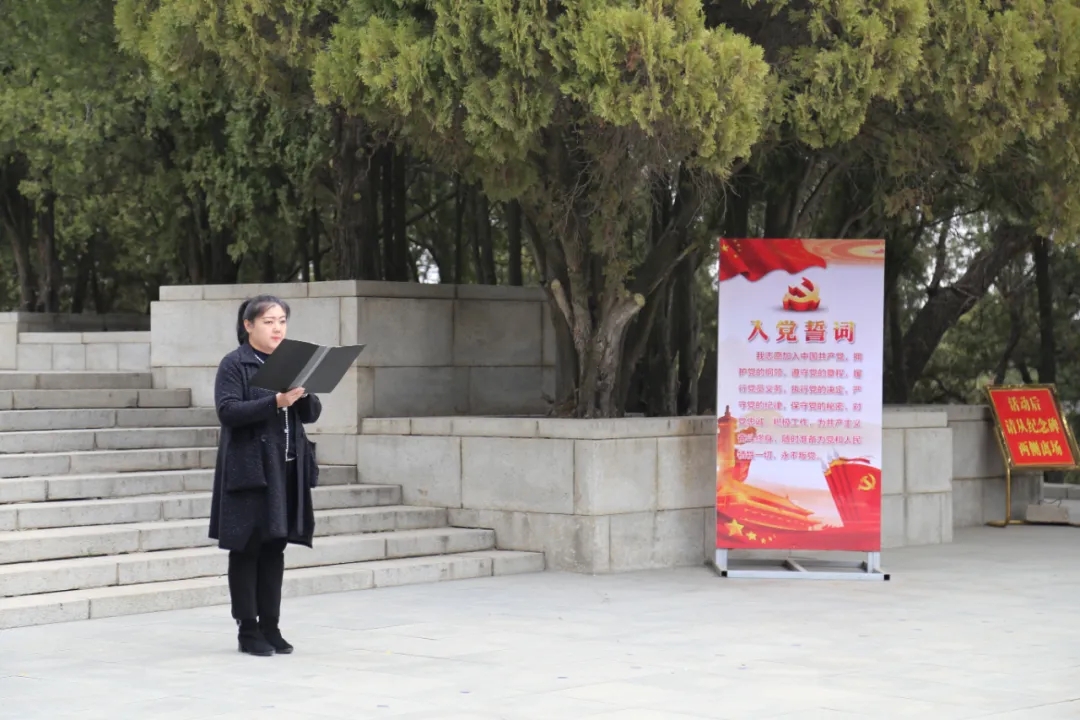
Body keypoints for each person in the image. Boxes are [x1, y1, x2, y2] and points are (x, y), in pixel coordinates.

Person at [208, 294, 323, 656]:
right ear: (248, 326)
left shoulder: (291, 363)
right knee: (247, 547)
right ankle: (248, 629)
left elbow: (311, 414)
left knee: (275, 545)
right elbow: (228, 412)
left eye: (282, 321)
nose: (277, 328)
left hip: (286, 468)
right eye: (269, 321)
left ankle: (271, 626)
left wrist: (302, 395)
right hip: (250, 471)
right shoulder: (235, 364)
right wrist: (275, 401)